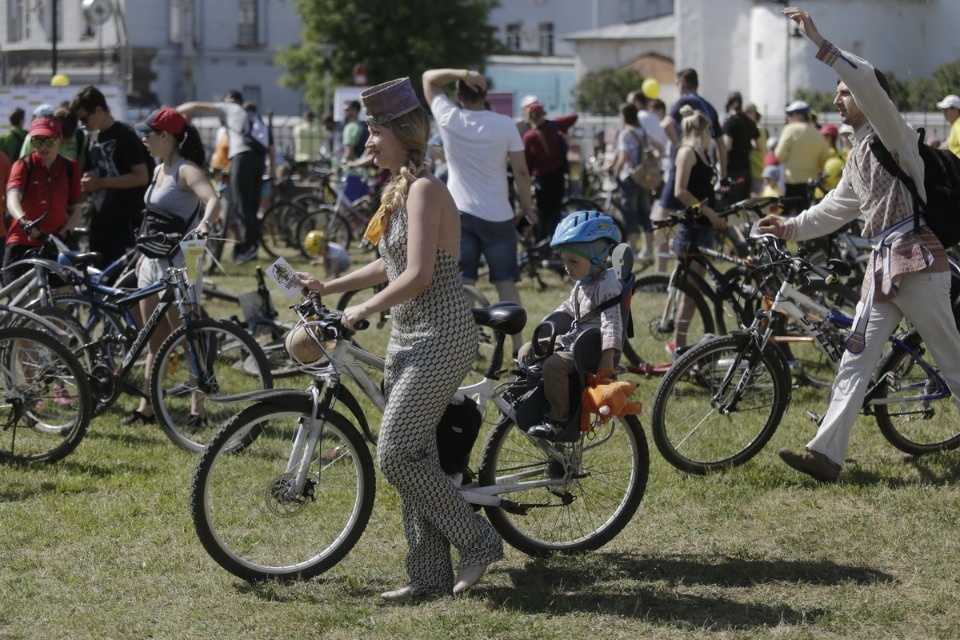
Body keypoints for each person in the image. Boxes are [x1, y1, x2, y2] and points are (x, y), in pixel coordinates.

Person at [297, 77, 503, 600]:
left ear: (399, 133)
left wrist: (360, 310)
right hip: (409, 334)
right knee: (418, 455)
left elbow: (417, 276)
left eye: (373, 132)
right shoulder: (398, 190)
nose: (366, 142)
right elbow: (386, 262)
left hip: (444, 333)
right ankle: (428, 576)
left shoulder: (425, 189)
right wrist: (331, 286)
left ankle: (479, 541)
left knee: (394, 455)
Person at [757, 7, 960, 483]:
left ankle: (827, 453)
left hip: (921, 265)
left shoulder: (895, 139)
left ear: (873, 102)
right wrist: (786, 227)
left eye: (846, 93)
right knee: (854, 360)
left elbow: (866, 79)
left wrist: (821, 42)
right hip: (885, 270)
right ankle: (827, 455)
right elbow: (833, 210)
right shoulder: (858, 155)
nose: (838, 96)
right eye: (839, 92)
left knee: (953, 364)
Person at [423, 67, 535, 354]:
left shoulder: (450, 118)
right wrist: (527, 205)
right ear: (486, 95)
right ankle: (519, 346)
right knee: (505, 282)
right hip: (499, 213)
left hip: (460, 213)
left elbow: (429, 79)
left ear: (459, 95)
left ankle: (465, 346)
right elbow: (521, 171)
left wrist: (461, 71)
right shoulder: (504, 124)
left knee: (464, 283)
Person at [122, 108, 221, 427]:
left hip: (180, 263)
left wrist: (206, 224)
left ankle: (198, 411)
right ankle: (146, 409)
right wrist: (143, 254)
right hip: (152, 261)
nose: (144, 140)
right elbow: (152, 216)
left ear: (166, 137)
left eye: (147, 134)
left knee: (189, 338)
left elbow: (213, 199)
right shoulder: (158, 168)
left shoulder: (186, 170)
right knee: (155, 339)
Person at [518, 212, 624, 438]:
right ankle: (537, 396)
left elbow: (611, 320)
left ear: (598, 257)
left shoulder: (607, 284)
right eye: (564, 261)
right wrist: (549, 322)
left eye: (573, 261)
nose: (567, 267)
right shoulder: (582, 283)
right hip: (575, 341)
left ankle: (558, 419)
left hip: (592, 349)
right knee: (528, 350)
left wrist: (608, 356)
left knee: (553, 366)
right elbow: (568, 308)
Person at [661, 105, 728, 355]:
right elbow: (680, 191)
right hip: (692, 227)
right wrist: (708, 212)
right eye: (711, 129)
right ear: (703, 129)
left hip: (704, 226)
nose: (713, 133)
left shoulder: (702, 152)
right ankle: (678, 344)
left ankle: (680, 343)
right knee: (690, 290)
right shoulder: (686, 152)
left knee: (696, 289)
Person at [177, 90, 266, 265]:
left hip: (242, 156)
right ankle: (251, 245)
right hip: (257, 158)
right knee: (251, 203)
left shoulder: (231, 108)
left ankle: (248, 247)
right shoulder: (249, 115)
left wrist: (171, 112)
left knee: (242, 203)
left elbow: (195, 106)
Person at [70, 85, 152, 268]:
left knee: (123, 280)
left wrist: (100, 182)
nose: (83, 124)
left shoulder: (125, 135)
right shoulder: (91, 138)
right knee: (99, 278)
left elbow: (141, 176)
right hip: (99, 220)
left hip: (125, 220)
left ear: (99, 110)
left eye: (85, 118)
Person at [3, 117, 83, 284]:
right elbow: (12, 198)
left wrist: (63, 234)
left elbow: (77, 211)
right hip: (22, 241)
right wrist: (24, 221)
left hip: (54, 244)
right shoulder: (23, 165)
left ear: (59, 139)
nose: (43, 146)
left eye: (49, 140)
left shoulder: (71, 167)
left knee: (61, 298)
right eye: (37, 141)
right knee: (24, 305)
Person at [608, 102, 664, 261]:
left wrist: (616, 172)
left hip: (630, 177)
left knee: (630, 213)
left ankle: (632, 249)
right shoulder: (643, 132)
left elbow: (623, 156)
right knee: (644, 212)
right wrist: (655, 159)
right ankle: (648, 250)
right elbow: (660, 147)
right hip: (643, 178)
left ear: (624, 116)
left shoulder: (626, 133)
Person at [774, 99, 830, 216]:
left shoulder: (790, 129)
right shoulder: (817, 133)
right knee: (804, 216)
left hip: (791, 181)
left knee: (784, 217)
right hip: (810, 183)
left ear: (799, 115)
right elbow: (825, 158)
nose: (788, 117)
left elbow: (779, 155)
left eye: (790, 114)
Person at [521, 100, 567, 241]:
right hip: (558, 176)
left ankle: (541, 242)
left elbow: (526, 162)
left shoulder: (529, 136)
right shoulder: (553, 129)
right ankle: (556, 241)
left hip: (541, 179)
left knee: (542, 213)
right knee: (555, 212)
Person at [721, 91, 760, 204]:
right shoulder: (750, 122)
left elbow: (727, 146)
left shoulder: (730, 122)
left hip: (733, 169)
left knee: (732, 205)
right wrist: (746, 147)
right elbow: (759, 146)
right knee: (744, 204)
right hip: (746, 169)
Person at [744, 103, 768, 195]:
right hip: (759, 170)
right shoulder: (760, 128)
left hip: (756, 170)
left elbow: (757, 147)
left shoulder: (756, 129)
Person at [935, 94, 960, 158]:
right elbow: (948, 143)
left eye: (946, 109)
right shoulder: (956, 124)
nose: (943, 112)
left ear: (956, 110)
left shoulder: (958, 124)